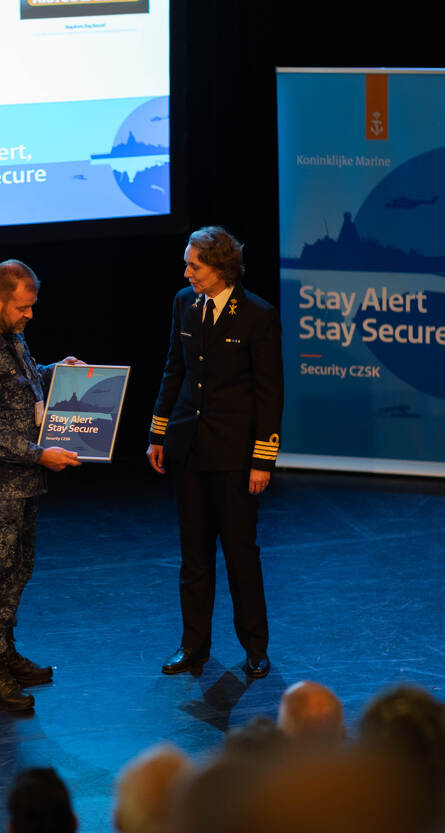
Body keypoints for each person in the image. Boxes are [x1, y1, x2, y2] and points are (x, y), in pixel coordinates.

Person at [147, 226, 283, 678]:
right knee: (194, 556)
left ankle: (255, 646)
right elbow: (174, 369)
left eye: (195, 266)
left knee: (241, 555)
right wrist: (158, 433)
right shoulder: (184, 304)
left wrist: (262, 459)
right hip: (189, 449)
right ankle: (193, 645)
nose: (187, 273)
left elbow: (269, 392)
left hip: (234, 456)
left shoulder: (257, 315)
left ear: (222, 268)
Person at [0, 259, 82, 712]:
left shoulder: (10, 334)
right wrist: (40, 454)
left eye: (32, 306)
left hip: (21, 483)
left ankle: (4, 654)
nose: (30, 315)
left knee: (17, 571)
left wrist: (55, 371)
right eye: (23, 307)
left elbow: (21, 385)